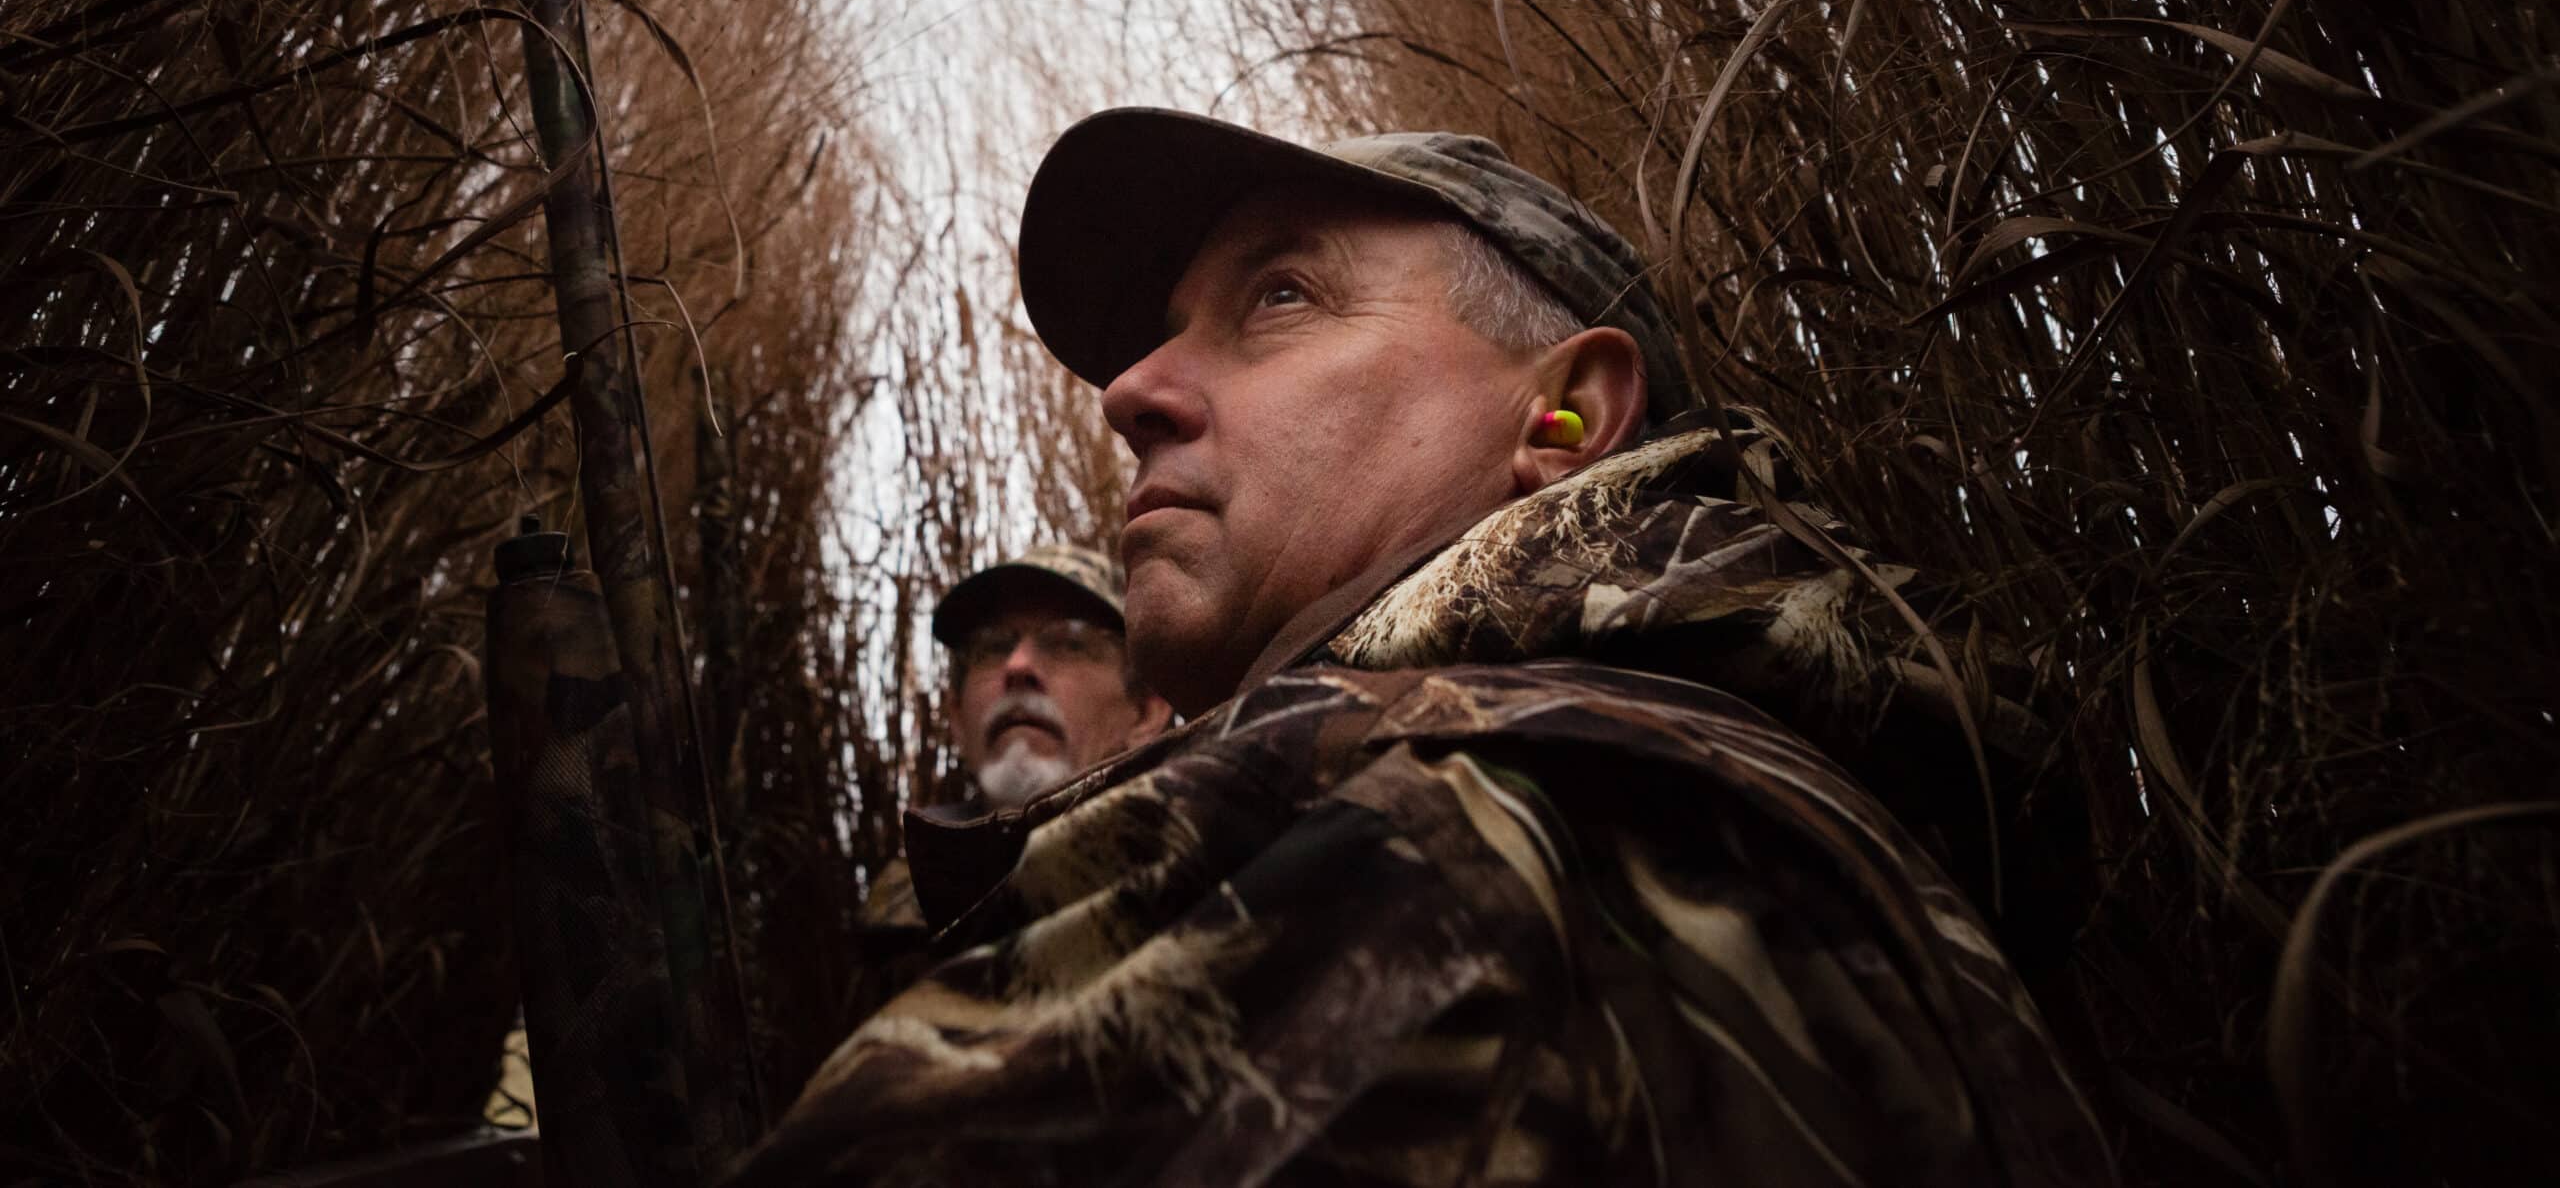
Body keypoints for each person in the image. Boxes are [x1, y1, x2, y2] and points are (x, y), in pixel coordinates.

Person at [745, 110, 2115, 1186]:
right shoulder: (1721, 769)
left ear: (1568, 418)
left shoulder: (1456, 810)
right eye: (1167, 334)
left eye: (1277, 297)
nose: (1130, 394)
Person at [847, 543, 1174, 1025]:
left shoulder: (1198, 868)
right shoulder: (893, 923)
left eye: (1068, 641)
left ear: (1146, 711)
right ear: (956, 718)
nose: (1017, 666)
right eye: (992, 647)